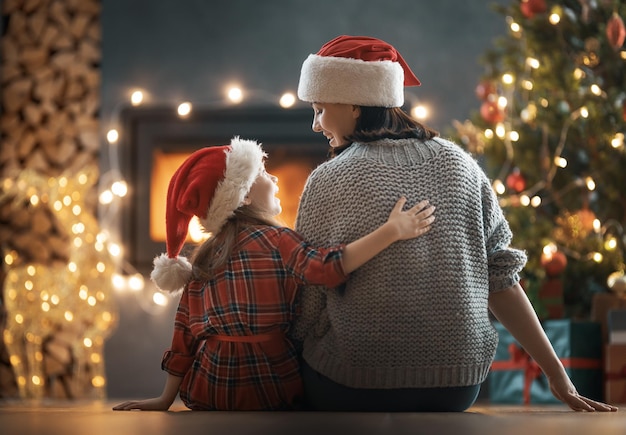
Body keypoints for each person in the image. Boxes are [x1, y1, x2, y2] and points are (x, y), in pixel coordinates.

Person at [292, 35, 618, 412]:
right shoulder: (461, 165)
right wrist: (557, 375)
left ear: (353, 103)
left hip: (351, 384)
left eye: (318, 109)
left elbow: (307, 298)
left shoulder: (329, 179)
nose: (316, 125)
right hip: (456, 387)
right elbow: (502, 281)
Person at [113, 137, 435, 411]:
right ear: (245, 195)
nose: (276, 179)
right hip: (272, 384)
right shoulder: (278, 240)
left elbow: (184, 334)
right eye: (265, 172)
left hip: (209, 388)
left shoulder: (204, 258)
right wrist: (391, 231)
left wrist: (164, 399)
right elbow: (326, 268)